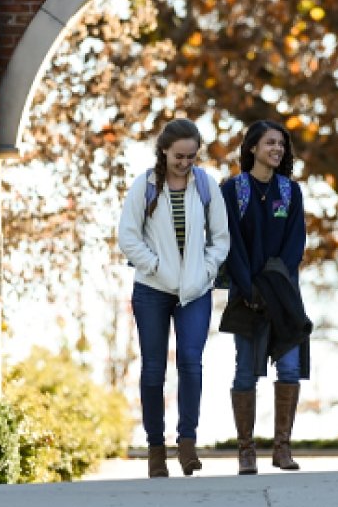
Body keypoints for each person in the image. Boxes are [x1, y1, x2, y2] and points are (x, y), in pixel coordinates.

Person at [117, 118, 230, 478]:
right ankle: (155, 449)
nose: (185, 163)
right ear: (164, 151)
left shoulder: (206, 186)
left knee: (191, 363)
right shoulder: (145, 187)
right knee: (153, 369)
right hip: (152, 290)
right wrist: (153, 265)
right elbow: (128, 236)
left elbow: (221, 238)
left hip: (195, 291)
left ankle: (187, 443)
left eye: (191, 157)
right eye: (179, 156)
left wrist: (206, 269)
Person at [220, 119, 311, 476]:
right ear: (253, 148)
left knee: (289, 369)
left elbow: (295, 246)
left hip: (285, 296)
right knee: (245, 371)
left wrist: (276, 285)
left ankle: (282, 449)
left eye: (282, 145)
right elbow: (232, 246)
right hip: (246, 296)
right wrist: (249, 287)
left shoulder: (290, 192)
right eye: (271, 143)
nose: (278, 149)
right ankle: (246, 452)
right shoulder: (234, 191)